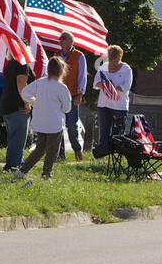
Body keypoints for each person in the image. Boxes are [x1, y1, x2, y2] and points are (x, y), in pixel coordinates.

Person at [15, 55, 73, 183]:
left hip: (40, 122)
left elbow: (25, 93)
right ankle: (46, 174)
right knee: (52, 150)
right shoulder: (62, 88)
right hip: (55, 123)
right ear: (61, 71)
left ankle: (22, 170)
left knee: (39, 149)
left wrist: (34, 102)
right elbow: (67, 108)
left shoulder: (39, 83)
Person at [91, 45, 133, 157]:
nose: (112, 63)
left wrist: (114, 86)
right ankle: (103, 153)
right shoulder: (103, 67)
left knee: (118, 133)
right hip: (104, 105)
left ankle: (118, 156)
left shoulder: (126, 69)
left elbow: (126, 86)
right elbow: (95, 83)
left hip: (119, 105)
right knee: (104, 132)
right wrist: (105, 85)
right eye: (110, 59)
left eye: (115, 60)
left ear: (120, 58)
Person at [0, 53, 36, 171]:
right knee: (18, 138)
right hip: (17, 106)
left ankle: (14, 163)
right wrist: (27, 102)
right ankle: (13, 166)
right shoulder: (22, 63)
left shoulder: (10, 63)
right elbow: (21, 83)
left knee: (13, 137)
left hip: (7, 104)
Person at [56, 32, 87, 161]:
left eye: (64, 38)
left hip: (73, 95)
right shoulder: (56, 56)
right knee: (58, 125)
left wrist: (80, 94)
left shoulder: (79, 56)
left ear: (71, 41)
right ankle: (60, 155)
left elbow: (82, 76)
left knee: (72, 125)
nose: (61, 41)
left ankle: (77, 151)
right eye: (60, 39)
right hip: (57, 96)